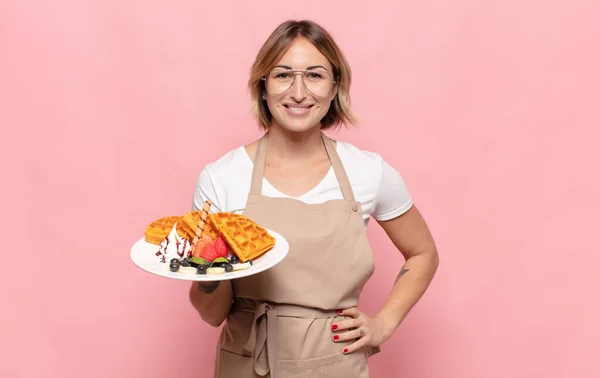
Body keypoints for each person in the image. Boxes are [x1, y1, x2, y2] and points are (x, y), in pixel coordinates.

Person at [188, 19, 439, 378]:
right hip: (245, 363)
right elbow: (212, 314)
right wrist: (205, 273)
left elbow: (424, 252)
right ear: (263, 85)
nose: (299, 92)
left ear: (335, 86)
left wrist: (384, 323)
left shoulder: (368, 172)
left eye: (315, 75)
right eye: (283, 75)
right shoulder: (222, 178)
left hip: (336, 363)